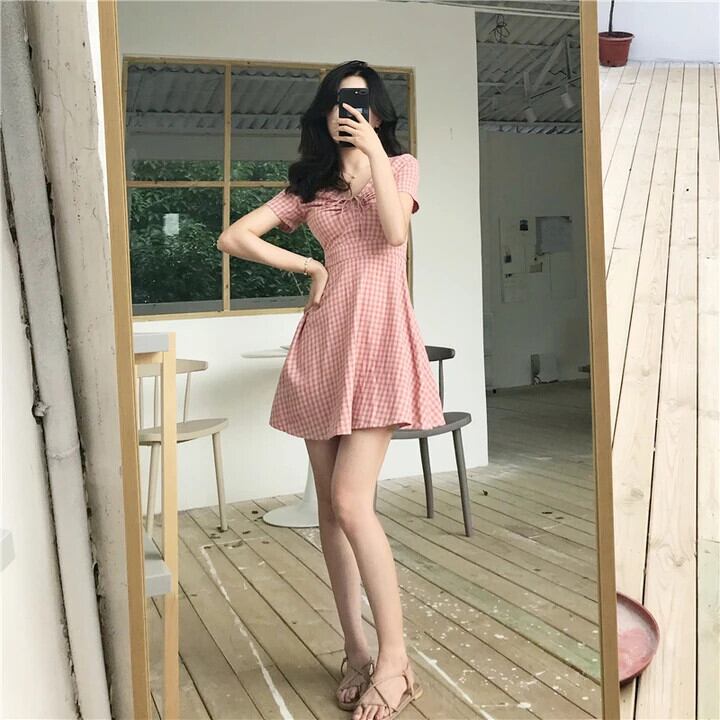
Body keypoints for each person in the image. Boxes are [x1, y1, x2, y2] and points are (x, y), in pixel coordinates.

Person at [217, 59, 445, 720]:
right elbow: (234, 236)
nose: (350, 111)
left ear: (377, 111)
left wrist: (373, 151)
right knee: (328, 510)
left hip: (379, 342)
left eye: (361, 101)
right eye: (339, 101)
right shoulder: (308, 186)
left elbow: (395, 234)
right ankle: (355, 650)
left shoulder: (400, 167)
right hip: (323, 345)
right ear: (324, 111)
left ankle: (395, 661)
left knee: (350, 502)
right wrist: (310, 265)